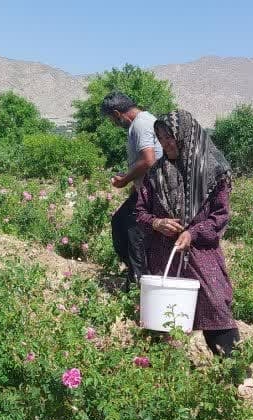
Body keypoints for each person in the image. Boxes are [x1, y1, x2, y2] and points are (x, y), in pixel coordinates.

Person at [133, 110, 239, 357]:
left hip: (201, 253)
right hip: (164, 254)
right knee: (162, 314)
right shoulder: (155, 174)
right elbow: (140, 212)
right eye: (160, 137)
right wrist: (157, 222)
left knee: (215, 306)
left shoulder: (213, 171)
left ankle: (236, 372)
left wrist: (193, 233)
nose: (165, 143)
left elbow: (220, 216)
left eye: (170, 137)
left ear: (187, 136)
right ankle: (163, 371)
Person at [101, 91, 163, 288]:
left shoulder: (141, 124)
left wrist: (125, 180)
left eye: (112, 119)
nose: (113, 123)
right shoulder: (144, 121)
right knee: (121, 224)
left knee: (132, 234)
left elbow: (148, 160)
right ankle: (136, 276)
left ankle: (139, 283)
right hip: (145, 189)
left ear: (118, 113)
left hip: (154, 191)